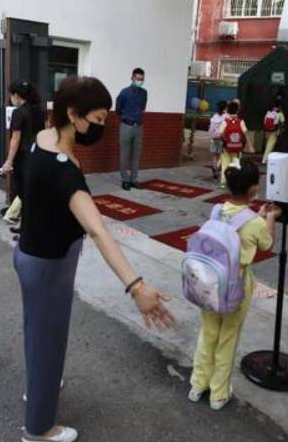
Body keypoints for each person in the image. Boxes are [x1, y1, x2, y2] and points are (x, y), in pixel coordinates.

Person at [15, 76, 174, 442]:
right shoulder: (65, 173)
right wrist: (137, 287)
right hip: (48, 266)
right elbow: (100, 231)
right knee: (48, 340)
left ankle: (39, 386)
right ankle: (38, 428)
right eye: (97, 120)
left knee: (38, 335)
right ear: (73, 114)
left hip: (30, 254)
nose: (100, 128)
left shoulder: (44, 137)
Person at [188, 159, 280, 410]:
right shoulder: (256, 222)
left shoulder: (216, 210)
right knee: (228, 337)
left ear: (228, 186)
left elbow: (232, 226)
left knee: (207, 334)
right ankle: (218, 394)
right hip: (237, 287)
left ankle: (197, 385)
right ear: (253, 191)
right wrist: (269, 217)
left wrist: (256, 215)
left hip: (209, 283)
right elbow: (266, 243)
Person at [0, 80, 45, 233]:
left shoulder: (18, 113)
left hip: (23, 158)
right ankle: (26, 226)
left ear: (16, 96)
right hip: (38, 155)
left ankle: (29, 229)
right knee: (32, 193)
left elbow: (15, 139)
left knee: (23, 193)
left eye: (11, 95)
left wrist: (8, 161)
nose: (10, 98)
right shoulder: (39, 111)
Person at [115, 67, 147, 191]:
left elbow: (142, 107)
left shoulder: (144, 93)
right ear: (132, 78)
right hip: (126, 126)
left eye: (142, 79)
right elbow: (118, 108)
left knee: (136, 154)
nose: (140, 81)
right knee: (124, 154)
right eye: (137, 78)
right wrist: (126, 117)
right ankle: (125, 180)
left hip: (139, 126)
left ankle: (134, 179)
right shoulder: (124, 92)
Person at [218, 101, 248, 189]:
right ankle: (235, 182)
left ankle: (223, 182)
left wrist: (224, 141)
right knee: (236, 164)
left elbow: (220, 133)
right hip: (238, 148)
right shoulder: (241, 122)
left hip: (226, 147)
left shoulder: (225, 122)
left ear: (228, 110)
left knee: (225, 165)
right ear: (238, 111)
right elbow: (245, 133)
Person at [208, 100, 228, 180]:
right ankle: (218, 168)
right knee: (222, 155)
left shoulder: (214, 117)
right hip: (222, 138)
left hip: (214, 138)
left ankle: (214, 167)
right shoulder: (226, 117)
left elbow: (211, 128)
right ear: (225, 107)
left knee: (214, 155)